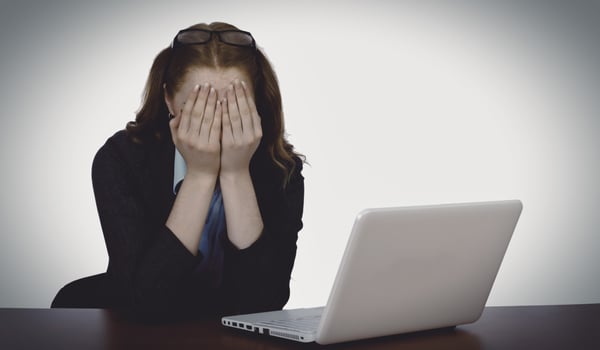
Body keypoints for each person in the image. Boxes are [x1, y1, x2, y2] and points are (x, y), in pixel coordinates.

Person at [51, 22, 304, 320]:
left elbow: (263, 305)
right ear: (169, 100)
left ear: (256, 105)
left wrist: (236, 174)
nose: (214, 124)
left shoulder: (281, 169)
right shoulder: (121, 158)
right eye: (199, 109)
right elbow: (143, 303)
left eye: (233, 108)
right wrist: (199, 175)